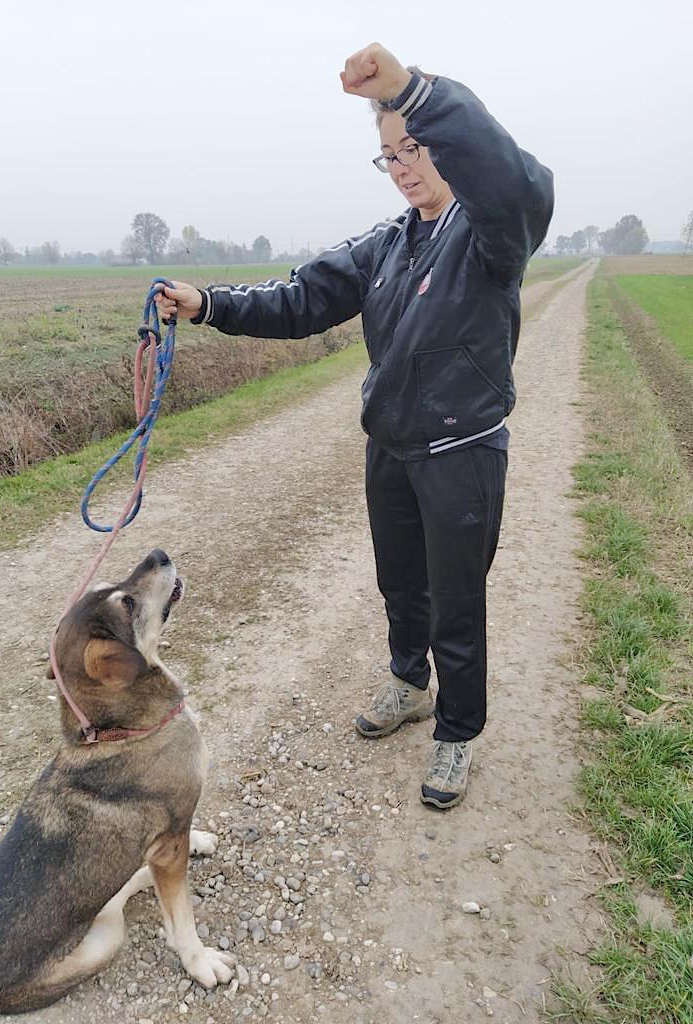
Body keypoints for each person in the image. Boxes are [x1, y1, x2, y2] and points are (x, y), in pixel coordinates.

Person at [156, 43, 554, 810]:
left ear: (449, 147)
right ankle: (409, 682)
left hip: (462, 452)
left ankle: (458, 732)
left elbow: (517, 181)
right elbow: (300, 298)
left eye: (416, 147)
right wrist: (209, 305)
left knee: (456, 600)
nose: (403, 166)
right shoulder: (387, 244)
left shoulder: (492, 234)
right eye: (389, 154)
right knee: (401, 583)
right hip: (392, 445)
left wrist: (412, 92)